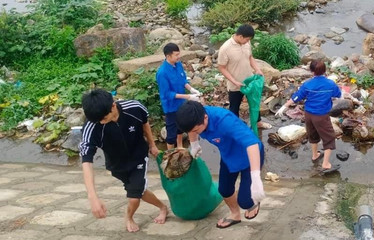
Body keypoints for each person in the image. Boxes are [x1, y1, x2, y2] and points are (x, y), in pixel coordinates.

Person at [79, 89, 168, 232]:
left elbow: (145, 123)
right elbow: (86, 161)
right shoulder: (92, 126)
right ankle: (163, 207)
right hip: (116, 164)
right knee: (140, 191)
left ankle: (129, 217)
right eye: (98, 120)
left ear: (113, 106)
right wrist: (93, 197)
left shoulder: (134, 107)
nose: (101, 122)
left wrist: (152, 145)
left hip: (139, 156)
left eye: (104, 118)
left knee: (134, 196)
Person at [176, 101, 266, 229]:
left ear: (205, 117)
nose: (195, 132)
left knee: (246, 201)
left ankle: (251, 196)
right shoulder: (194, 116)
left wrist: (256, 177)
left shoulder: (225, 121)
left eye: (196, 130)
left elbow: (252, 145)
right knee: (224, 189)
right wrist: (194, 143)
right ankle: (235, 214)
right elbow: (191, 129)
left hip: (250, 156)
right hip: (228, 154)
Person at [276, 60, 342, 174]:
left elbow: (297, 97)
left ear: (311, 71)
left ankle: (315, 155)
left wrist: (284, 106)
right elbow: (338, 94)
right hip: (321, 115)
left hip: (308, 114)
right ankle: (326, 163)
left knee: (312, 134)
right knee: (329, 137)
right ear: (324, 71)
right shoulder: (330, 84)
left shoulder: (307, 84)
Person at [217, 24, 271, 129]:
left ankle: (258, 122)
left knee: (255, 103)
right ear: (240, 36)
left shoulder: (246, 43)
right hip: (235, 84)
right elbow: (222, 67)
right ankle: (235, 127)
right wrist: (234, 81)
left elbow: (250, 57)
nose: (248, 41)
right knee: (234, 108)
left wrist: (257, 69)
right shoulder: (225, 48)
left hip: (250, 81)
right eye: (247, 39)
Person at [156, 42, 202, 149]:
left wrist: (191, 89)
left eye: (178, 54)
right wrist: (188, 97)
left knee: (181, 127)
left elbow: (182, 80)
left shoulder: (178, 65)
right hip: (171, 106)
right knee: (171, 133)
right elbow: (167, 94)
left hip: (181, 103)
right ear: (168, 56)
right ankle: (170, 153)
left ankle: (180, 147)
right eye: (176, 55)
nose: (178, 57)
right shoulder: (162, 73)